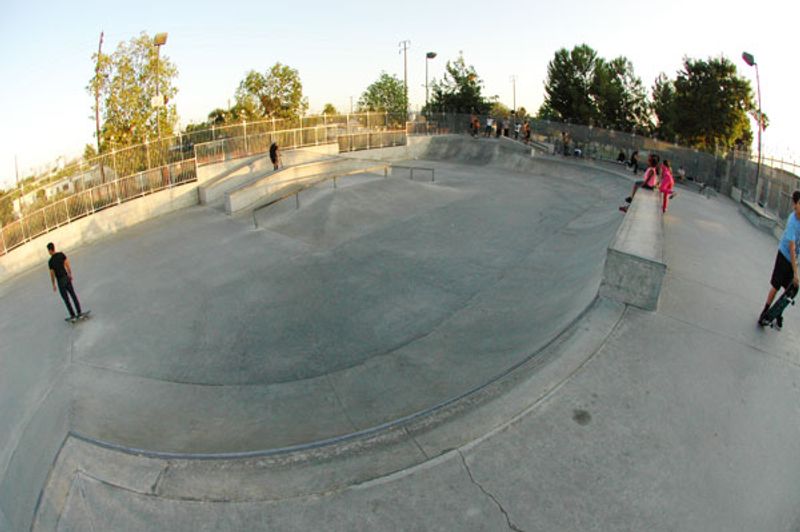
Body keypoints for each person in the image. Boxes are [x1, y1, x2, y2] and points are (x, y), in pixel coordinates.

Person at [758, 190, 800, 329]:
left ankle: (778, 313)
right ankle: (765, 311)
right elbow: (792, 249)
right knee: (776, 286)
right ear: (795, 205)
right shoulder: (792, 222)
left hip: (793, 260)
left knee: (789, 291)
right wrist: (795, 272)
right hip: (784, 257)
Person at [47, 242, 83, 321]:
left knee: (66, 300)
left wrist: (53, 284)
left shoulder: (50, 262)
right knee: (73, 296)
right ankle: (79, 313)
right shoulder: (61, 254)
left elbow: (52, 274)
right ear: (54, 248)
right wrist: (70, 274)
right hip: (66, 278)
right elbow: (67, 264)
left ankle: (73, 315)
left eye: (48, 251)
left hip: (60, 281)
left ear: (50, 250)